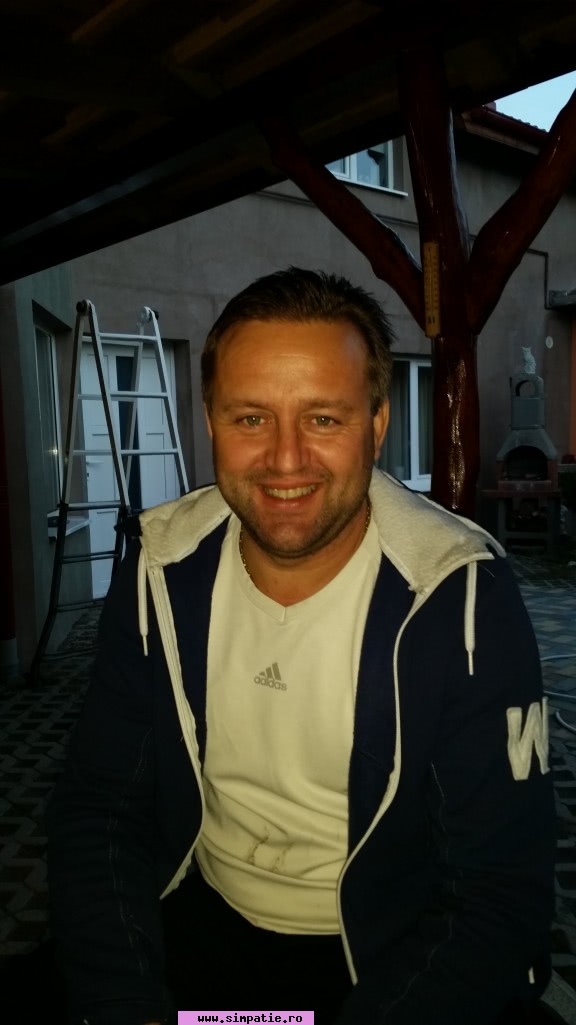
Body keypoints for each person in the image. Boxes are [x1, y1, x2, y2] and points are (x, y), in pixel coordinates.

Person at [47, 266, 556, 1025]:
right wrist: (128, 1002)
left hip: (390, 952)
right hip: (197, 929)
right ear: (210, 420)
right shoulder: (159, 567)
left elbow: (498, 890)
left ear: (376, 424)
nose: (286, 461)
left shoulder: (460, 593)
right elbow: (100, 807)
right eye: (252, 418)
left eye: (323, 418)